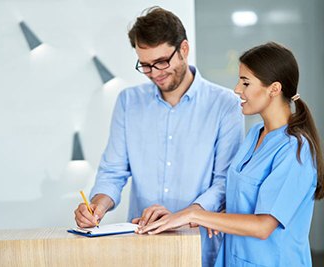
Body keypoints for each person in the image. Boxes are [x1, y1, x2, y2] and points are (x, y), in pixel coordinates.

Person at [74, 6, 244, 266]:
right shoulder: (128, 102)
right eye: (145, 65)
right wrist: (98, 205)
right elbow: (113, 172)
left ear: (184, 49)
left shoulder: (226, 105)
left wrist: (182, 216)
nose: (155, 72)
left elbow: (224, 183)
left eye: (162, 62)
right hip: (140, 248)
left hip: (199, 248)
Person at [138, 42, 324, 266]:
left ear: (274, 89)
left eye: (245, 82)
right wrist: (177, 218)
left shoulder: (295, 150)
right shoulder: (255, 133)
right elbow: (242, 203)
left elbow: (264, 226)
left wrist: (193, 215)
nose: (237, 89)